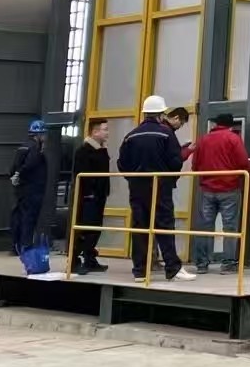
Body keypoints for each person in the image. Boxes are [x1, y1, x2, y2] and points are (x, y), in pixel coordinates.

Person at [117, 95, 196, 282]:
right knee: (164, 226)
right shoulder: (166, 134)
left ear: (145, 113)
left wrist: (133, 178)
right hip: (161, 187)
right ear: (161, 114)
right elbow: (175, 162)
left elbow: (122, 164)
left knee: (140, 228)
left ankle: (140, 271)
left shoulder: (131, 136)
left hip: (137, 188)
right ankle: (172, 268)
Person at [189, 113, 250, 274]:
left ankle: (202, 264)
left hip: (207, 190)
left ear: (216, 124)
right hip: (229, 189)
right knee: (230, 227)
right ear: (231, 125)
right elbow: (243, 162)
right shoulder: (233, 139)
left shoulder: (203, 140)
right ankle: (228, 264)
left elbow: (195, 165)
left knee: (204, 226)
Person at [70, 118, 111, 274]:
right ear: (94, 131)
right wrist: (89, 193)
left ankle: (90, 259)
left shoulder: (101, 150)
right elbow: (82, 175)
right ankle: (74, 261)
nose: (107, 133)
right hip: (88, 197)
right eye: (104, 129)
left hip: (99, 195)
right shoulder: (84, 151)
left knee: (95, 228)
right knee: (84, 229)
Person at [8, 119, 47, 257]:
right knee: (29, 218)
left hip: (21, 190)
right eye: (44, 134)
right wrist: (20, 174)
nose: (45, 137)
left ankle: (16, 245)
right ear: (39, 135)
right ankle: (26, 245)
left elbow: (12, 168)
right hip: (33, 190)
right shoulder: (35, 149)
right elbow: (30, 165)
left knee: (18, 216)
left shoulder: (22, 147)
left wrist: (15, 176)